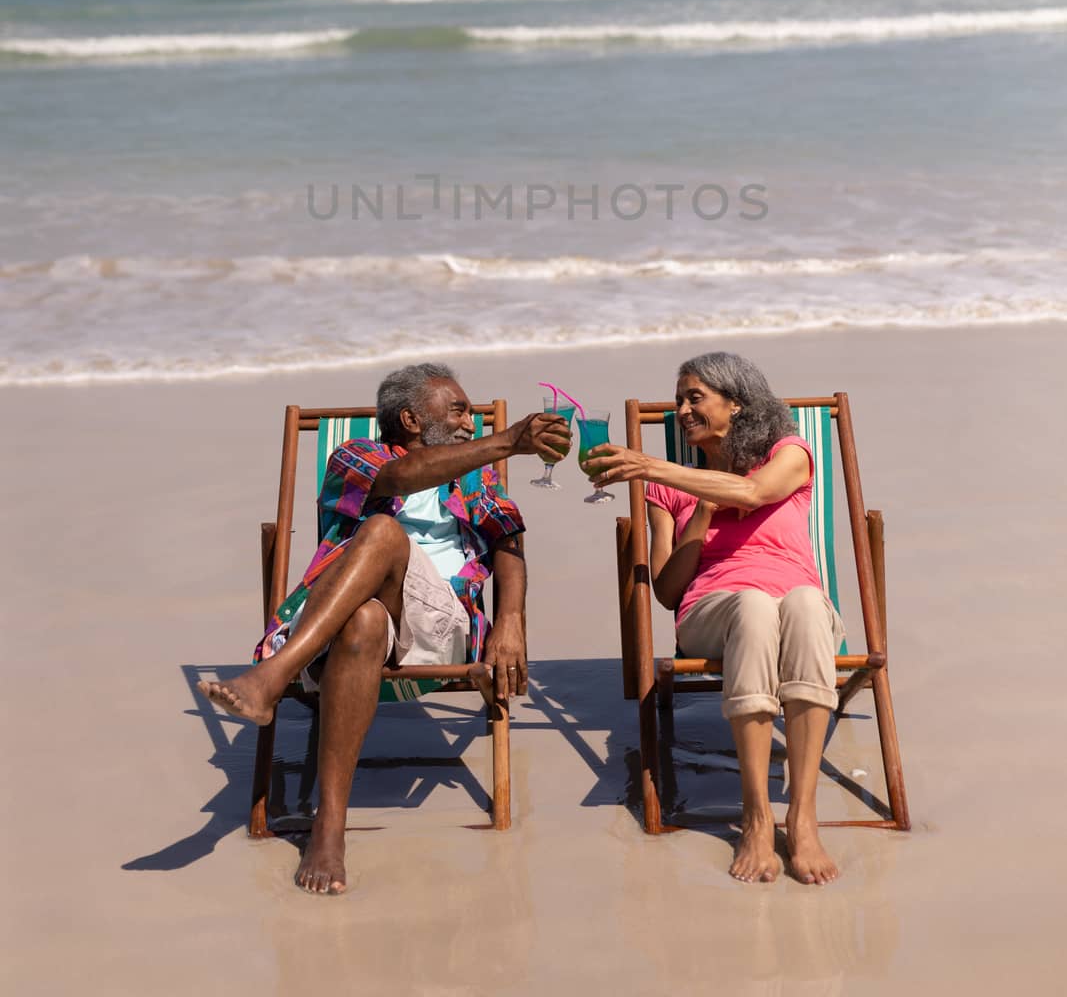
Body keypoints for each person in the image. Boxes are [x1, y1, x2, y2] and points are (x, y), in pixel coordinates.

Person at [199, 362, 569, 894]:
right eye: (459, 410)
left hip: (441, 623)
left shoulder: (476, 474)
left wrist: (510, 622)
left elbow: (507, 538)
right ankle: (330, 827)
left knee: (381, 532)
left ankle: (271, 676)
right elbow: (397, 478)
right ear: (411, 420)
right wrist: (509, 440)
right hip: (348, 623)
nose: (472, 421)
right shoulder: (354, 456)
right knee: (369, 601)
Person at [588, 350, 844, 886]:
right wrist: (700, 511)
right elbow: (667, 589)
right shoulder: (667, 489)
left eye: (695, 397)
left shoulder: (788, 453)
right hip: (712, 607)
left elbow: (754, 491)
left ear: (736, 403)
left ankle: (801, 817)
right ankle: (755, 815)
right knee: (752, 603)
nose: (682, 409)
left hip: (796, 600)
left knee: (799, 601)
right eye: (680, 398)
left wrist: (651, 463)